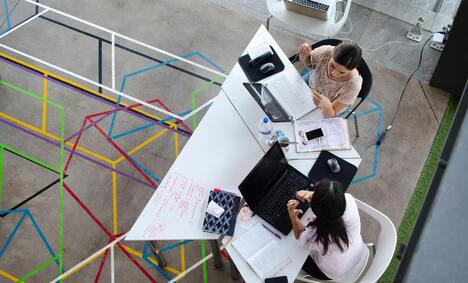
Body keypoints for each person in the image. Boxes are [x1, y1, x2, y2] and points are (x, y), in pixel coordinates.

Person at [287, 179, 364, 280]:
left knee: (292, 252)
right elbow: (332, 201)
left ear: (316, 209)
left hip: (329, 272)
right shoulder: (348, 199)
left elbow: (300, 237)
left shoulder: (317, 237)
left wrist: (293, 216)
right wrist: (315, 195)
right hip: (357, 253)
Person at [298, 41, 363, 118]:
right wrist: (305, 55)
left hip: (328, 104)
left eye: (342, 72)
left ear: (353, 69)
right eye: (332, 66)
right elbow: (309, 64)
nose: (333, 73)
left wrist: (327, 107)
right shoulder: (326, 52)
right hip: (312, 82)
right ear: (331, 55)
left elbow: (332, 115)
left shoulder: (353, 85)